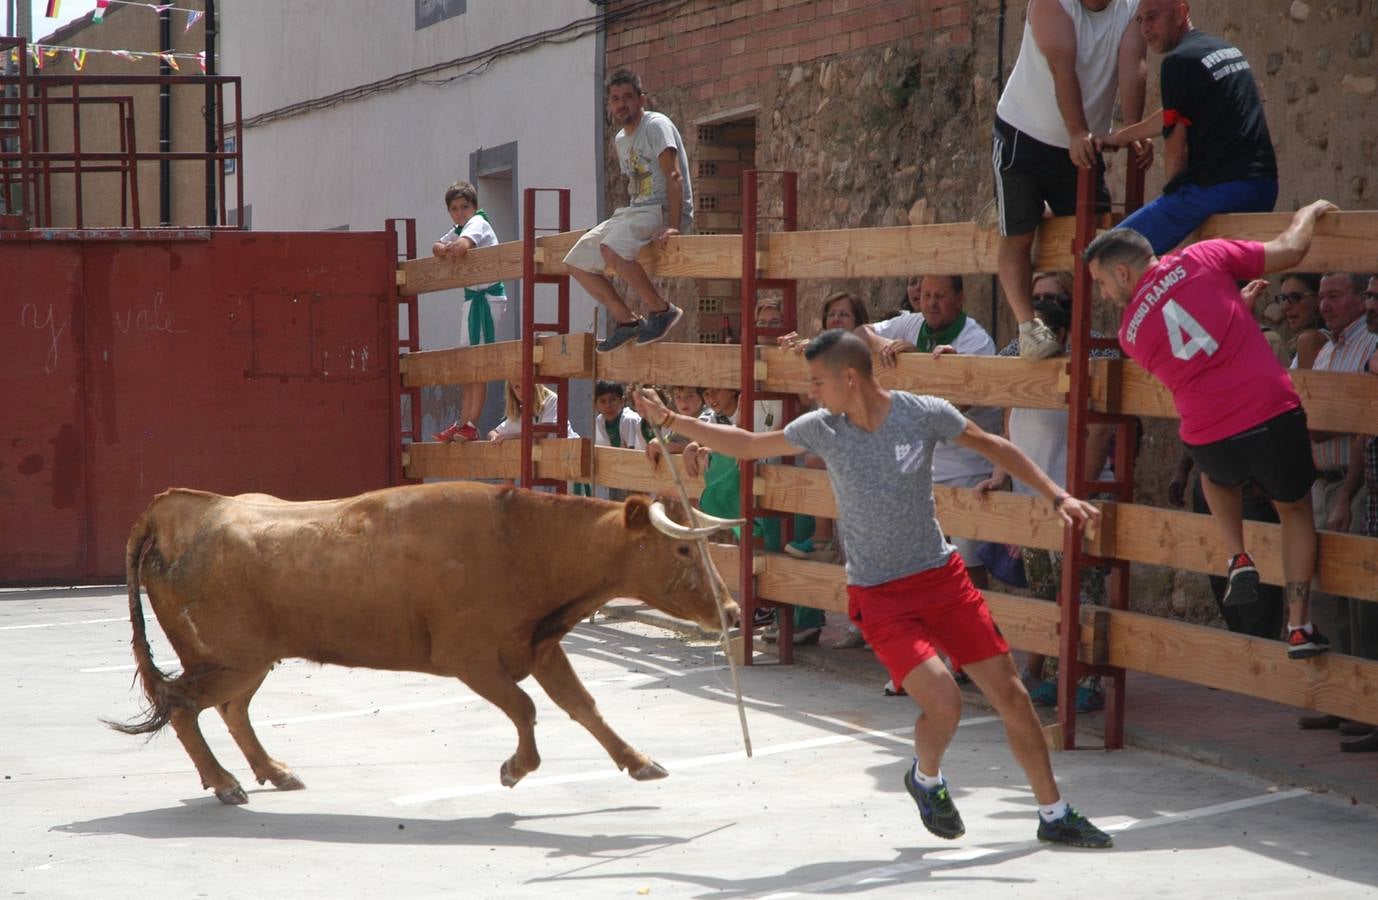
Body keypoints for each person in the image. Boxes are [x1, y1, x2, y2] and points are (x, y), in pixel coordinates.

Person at [634, 330, 1112, 847]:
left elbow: (992, 443)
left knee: (1013, 698)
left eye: (819, 382)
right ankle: (927, 778)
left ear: (850, 377)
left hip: (941, 578)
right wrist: (670, 420)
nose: (813, 392)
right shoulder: (823, 428)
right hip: (879, 595)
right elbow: (750, 445)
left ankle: (1054, 813)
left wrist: (1057, 495)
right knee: (945, 702)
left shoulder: (921, 413)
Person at [1082, 200, 1338, 659]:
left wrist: (1231, 309)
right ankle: (1299, 625)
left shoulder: (1130, 336)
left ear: (1123, 274)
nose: (1103, 296)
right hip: (1269, 412)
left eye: (1101, 283)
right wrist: (1310, 213)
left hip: (1210, 436)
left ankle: (1237, 553)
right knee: (1294, 510)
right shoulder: (1203, 256)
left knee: (1214, 476)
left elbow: (1191, 347)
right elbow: (1290, 250)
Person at [978, 296, 1114, 713]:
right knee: (1046, 592)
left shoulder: (1078, 367)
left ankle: (1086, 679)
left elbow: (1101, 429)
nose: (1028, 341)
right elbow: (1009, 423)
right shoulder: (1022, 370)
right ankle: (1059, 676)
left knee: (1080, 588)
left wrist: (1076, 489)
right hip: (1033, 502)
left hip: (1071, 499)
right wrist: (1002, 475)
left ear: (1058, 335)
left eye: (1037, 332)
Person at [993, 0, 1148, 359]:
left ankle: (1088, 326)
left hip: (1082, 144)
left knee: (1095, 234)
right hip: (1024, 133)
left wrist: (1132, 129)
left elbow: (1133, 64)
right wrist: (1077, 132)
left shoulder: (1129, 7)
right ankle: (1028, 326)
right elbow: (1063, 68)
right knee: (1017, 234)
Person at [1099, 0, 1278, 254]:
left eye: (1152, 17)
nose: (1145, 29)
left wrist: (1172, 206)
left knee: (1111, 252)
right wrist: (1120, 137)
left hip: (1219, 191)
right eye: (1140, 21)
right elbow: (1173, 113)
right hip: (1264, 189)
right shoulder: (1224, 50)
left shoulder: (1178, 62)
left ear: (1181, 12)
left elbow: (1176, 149)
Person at [859, 275, 1002, 591]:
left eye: (940, 296)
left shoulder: (976, 340)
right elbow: (860, 331)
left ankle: (976, 634)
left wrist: (916, 363)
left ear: (960, 298)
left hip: (968, 468)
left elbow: (957, 409)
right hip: (922, 468)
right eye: (925, 295)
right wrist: (880, 343)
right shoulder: (911, 324)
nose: (931, 304)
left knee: (968, 564)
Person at [563, 69, 691, 353]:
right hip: (636, 210)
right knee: (576, 260)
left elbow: (674, 177)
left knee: (613, 249)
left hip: (661, 208)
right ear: (609, 104)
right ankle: (627, 321)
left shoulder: (656, 125)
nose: (621, 104)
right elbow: (634, 183)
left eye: (628, 98)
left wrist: (674, 224)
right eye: (615, 99)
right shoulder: (621, 139)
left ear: (641, 99)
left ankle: (662, 310)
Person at [431, 181, 508, 443]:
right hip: (471, 300)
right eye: (454, 209)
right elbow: (438, 246)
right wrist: (444, 248)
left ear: (474, 207)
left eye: (465, 207)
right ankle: (462, 421)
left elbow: (462, 246)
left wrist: (452, 248)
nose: (461, 212)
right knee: (467, 363)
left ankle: (472, 423)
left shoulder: (478, 223)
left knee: (479, 363)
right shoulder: (460, 227)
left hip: (487, 300)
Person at [592, 380, 645, 501]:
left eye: (613, 400)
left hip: (636, 472)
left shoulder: (629, 419)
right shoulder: (600, 421)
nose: (608, 405)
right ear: (596, 405)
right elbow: (604, 450)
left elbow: (631, 452)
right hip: (616, 470)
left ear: (622, 401)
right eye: (602, 401)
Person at [1276, 273, 1326, 370]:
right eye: (1283, 298)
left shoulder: (1309, 339)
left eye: (1294, 297)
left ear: (1318, 298)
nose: (1285, 307)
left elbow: (1303, 384)